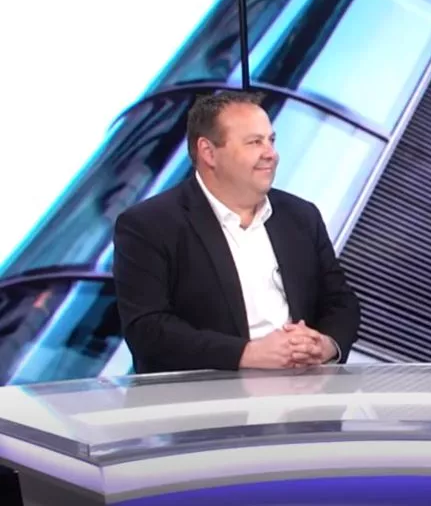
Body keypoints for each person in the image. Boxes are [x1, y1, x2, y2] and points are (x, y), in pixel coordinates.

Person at [112, 91, 361, 373]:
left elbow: (341, 302)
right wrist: (247, 354)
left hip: (303, 393)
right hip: (204, 403)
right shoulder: (150, 224)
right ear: (208, 152)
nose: (271, 154)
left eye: (271, 140)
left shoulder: (301, 215)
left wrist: (325, 345)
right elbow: (148, 329)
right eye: (255, 142)